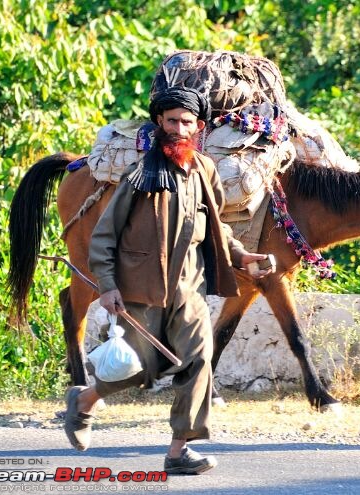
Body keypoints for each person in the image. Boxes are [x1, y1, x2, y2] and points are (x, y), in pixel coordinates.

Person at [62, 86, 275, 474]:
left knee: (198, 361)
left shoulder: (204, 170)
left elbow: (218, 227)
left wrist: (242, 256)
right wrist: (107, 286)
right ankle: (84, 400)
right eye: (172, 120)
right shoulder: (139, 174)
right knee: (142, 368)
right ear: (159, 123)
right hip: (139, 286)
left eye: (187, 122)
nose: (179, 128)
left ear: (198, 127)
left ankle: (178, 451)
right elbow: (105, 235)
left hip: (188, 287)